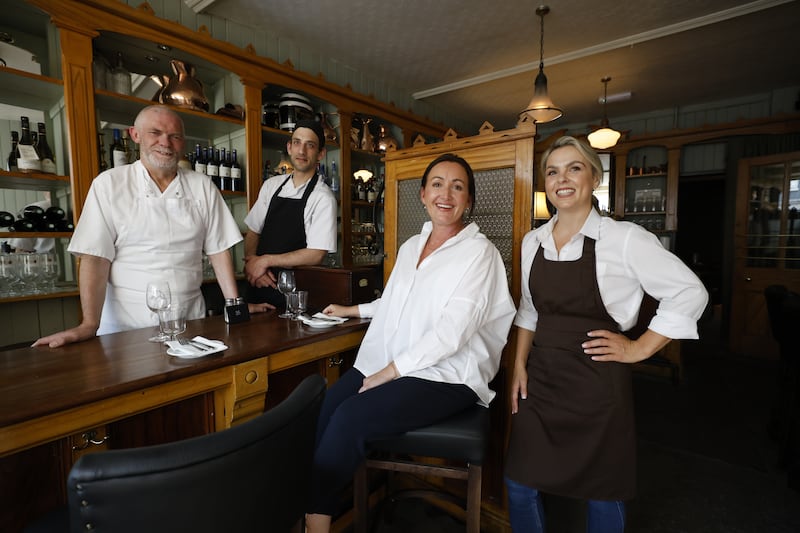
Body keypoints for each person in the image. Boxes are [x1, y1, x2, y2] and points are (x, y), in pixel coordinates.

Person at [504, 136, 709, 533]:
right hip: (541, 379)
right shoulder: (532, 242)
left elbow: (689, 291)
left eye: (574, 168)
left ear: (594, 178)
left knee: (604, 488)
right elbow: (530, 310)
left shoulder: (624, 239)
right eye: (552, 171)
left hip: (597, 382)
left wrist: (639, 348)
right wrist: (518, 366)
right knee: (519, 482)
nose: (562, 178)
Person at [304, 153, 516, 532]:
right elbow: (398, 300)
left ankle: (315, 526)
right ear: (422, 194)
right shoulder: (409, 247)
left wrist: (391, 372)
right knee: (327, 407)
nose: (445, 194)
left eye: (457, 186)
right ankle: (316, 508)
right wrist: (353, 310)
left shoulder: (480, 254)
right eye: (437, 184)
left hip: (449, 374)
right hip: (395, 360)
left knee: (350, 417)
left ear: (468, 200)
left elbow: (453, 332)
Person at [33, 105, 269, 348]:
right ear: (135, 135)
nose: (165, 142)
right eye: (155, 133)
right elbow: (95, 257)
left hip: (192, 321)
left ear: (183, 143)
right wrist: (89, 324)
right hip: (127, 328)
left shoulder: (202, 185)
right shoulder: (109, 184)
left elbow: (219, 249)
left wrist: (234, 305)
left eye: (174, 136)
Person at [243, 119, 337, 309]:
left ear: (320, 154)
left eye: (310, 145)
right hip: (257, 290)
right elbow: (253, 231)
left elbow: (316, 254)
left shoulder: (323, 198)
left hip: (296, 298)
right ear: (289, 147)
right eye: (297, 143)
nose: (301, 151)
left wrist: (265, 261)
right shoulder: (271, 186)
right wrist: (253, 268)